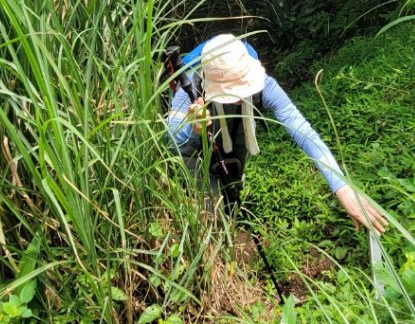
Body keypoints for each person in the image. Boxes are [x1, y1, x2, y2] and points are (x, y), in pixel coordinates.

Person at [166, 33, 387, 235]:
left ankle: (229, 219)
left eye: (241, 88)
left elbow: (302, 130)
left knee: (232, 176)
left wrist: (342, 187)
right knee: (211, 207)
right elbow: (172, 142)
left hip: (233, 128)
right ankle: (214, 243)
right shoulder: (189, 87)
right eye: (229, 92)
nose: (236, 96)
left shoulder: (264, 86)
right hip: (191, 152)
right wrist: (194, 129)